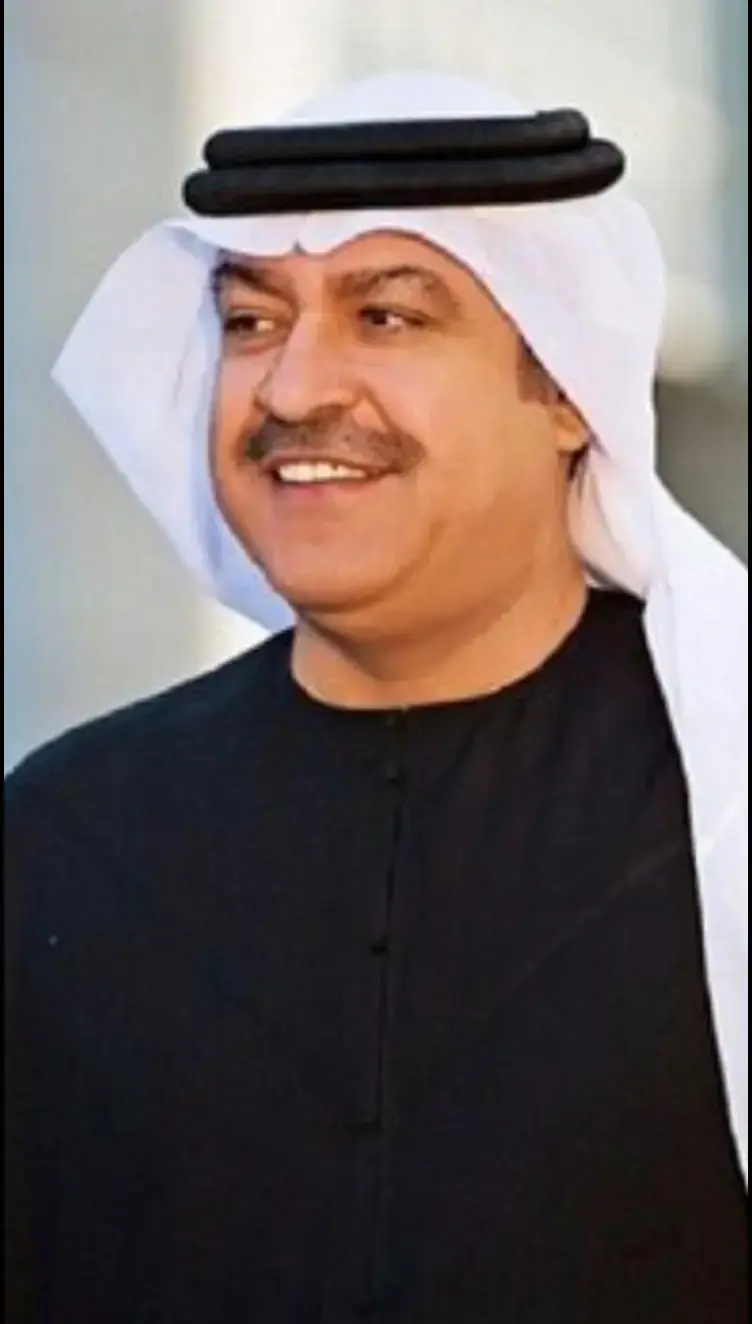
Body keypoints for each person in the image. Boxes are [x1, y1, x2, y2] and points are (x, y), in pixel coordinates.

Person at [5, 70, 748, 1324]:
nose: (293, 390)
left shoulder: (727, 797)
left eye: (388, 317)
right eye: (251, 322)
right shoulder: (68, 837)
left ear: (566, 391)